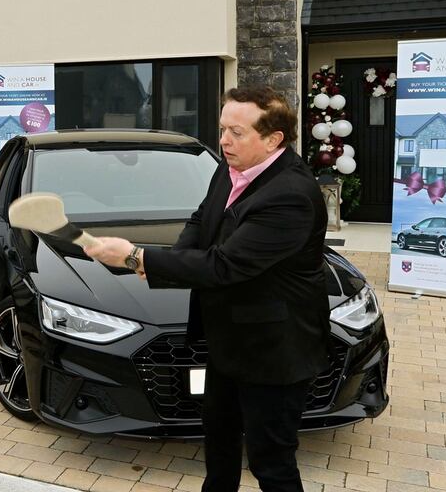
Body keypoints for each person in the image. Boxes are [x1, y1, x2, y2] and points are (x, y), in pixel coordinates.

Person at [84, 86, 329, 492]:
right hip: (227, 341)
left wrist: (137, 257)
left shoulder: (291, 196)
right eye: (221, 129)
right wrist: (176, 261)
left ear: (273, 140)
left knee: (272, 462)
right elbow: (204, 219)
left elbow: (225, 265)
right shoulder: (232, 165)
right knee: (218, 443)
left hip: (275, 351)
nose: (224, 141)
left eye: (236, 131)